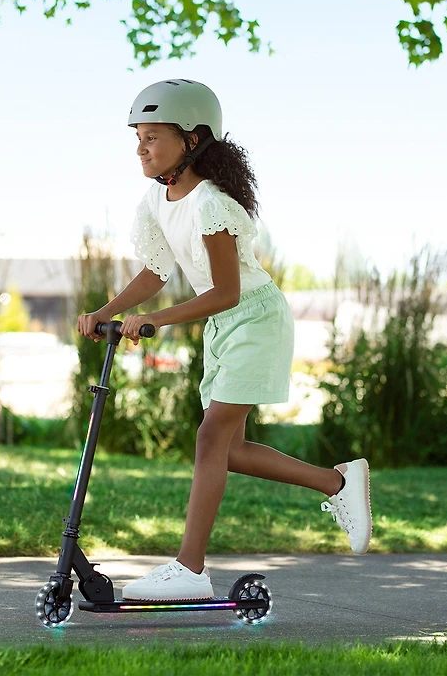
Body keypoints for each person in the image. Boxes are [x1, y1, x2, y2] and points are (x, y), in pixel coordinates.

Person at [78, 78, 372, 601]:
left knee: (210, 438)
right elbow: (155, 272)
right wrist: (105, 312)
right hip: (225, 324)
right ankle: (337, 482)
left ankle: (189, 570)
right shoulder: (157, 198)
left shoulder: (212, 204)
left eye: (152, 136)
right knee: (228, 450)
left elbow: (227, 291)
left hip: (254, 318)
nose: (140, 148)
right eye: (137, 137)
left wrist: (155, 322)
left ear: (192, 140)